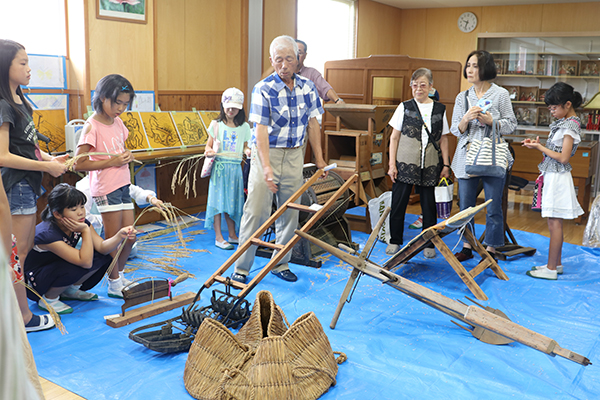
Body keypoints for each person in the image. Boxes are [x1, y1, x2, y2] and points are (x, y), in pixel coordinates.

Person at [231, 35, 327, 283]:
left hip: (295, 153)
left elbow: (314, 124)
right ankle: (241, 268)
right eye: (278, 60)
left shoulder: (308, 87)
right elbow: (260, 131)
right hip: (267, 153)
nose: (283, 65)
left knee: (290, 211)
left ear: (298, 59)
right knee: (256, 211)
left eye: (288, 59)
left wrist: (320, 160)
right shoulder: (263, 89)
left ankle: (280, 263)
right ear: (272, 62)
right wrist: (265, 168)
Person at [0, 39, 68, 332]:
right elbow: (3, 156)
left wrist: (51, 158)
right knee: (15, 255)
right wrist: (45, 167)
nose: (29, 69)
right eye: (23, 63)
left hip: (28, 184)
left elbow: (27, 147)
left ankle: (18, 315)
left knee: (21, 252)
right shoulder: (3, 105)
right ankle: (22, 318)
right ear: (6, 67)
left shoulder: (20, 100)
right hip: (16, 187)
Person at [24, 184, 137, 314]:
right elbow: (86, 262)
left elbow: (102, 247)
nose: (81, 212)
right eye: (73, 209)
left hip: (54, 270)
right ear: (57, 214)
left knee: (104, 256)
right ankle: (49, 299)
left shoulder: (81, 223)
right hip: (35, 283)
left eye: (82, 206)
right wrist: (84, 231)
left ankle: (70, 290)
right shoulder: (48, 234)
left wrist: (119, 236)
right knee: (80, 263)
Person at [73, 74, 137, 298]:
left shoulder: (118, 122)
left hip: (123, 185)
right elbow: (77, 163)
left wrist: (127, 155)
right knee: (115, 236)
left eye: (125, 104)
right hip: (106, 188)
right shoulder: (91, 126)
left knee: (130, 236)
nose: (120, 108)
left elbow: (119, 149)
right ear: (102, 98)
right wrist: (112, 161)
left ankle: (118, 274)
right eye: (116, 102)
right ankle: (114, 281)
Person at [450, 50, 517, 263]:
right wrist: (466, 119)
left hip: (492, 155)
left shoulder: (501, 94)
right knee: (465, 205)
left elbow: (511, 125)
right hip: (466, 155)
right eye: (468, 65)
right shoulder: (463, 97)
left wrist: (491, 122)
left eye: (475, 65)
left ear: (486, 68)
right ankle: (467, 245)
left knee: (493, 205)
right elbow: (454, 129)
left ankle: (491, 249)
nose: (470, 69)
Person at [386, 68, 451, 256]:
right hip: (405, 163)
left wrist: (445, 165)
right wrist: (392, 164)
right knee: (399, 203)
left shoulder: (439, 109)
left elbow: (444, 138)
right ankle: (395, 239)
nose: (418, 89)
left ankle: (429, 243)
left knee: (429, 205)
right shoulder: (404, 107)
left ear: (431, 86)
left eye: (423, 85)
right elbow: (394, 138)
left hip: (430, 164)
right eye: (414, 85)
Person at [522, 83, 584, 280]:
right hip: (552, 175)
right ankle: (555, 265)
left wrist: (540, 147)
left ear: (567, 104)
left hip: (558, 177)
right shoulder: (564, 122)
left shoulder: (570, 125)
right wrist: (538, 146)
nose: (551, 111)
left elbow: (564, 157)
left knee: (554, 222)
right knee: (553, 221)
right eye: (549, 108)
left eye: (554, 108)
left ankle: (550, 269)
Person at [204, 87, 251, 250]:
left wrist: (248, 151)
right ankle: (218, 237)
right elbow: (208, 146)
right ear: (223, 106)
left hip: (235, 170)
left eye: (235, 107)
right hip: (220, 169)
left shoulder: (245, 127)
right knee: (218, 203)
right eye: (228, 106)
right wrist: (209, 152)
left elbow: (245, 147)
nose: (231, 110)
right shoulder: (216, 125)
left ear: (240, 108)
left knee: (233, 203)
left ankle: (232, 235)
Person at [295, 40, 343, 104]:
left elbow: (325, 88)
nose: (296, 56)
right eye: (293, 52)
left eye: (299, 53)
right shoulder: (282, 73)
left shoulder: (312, 73)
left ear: (305, 55)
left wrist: (337, 100)